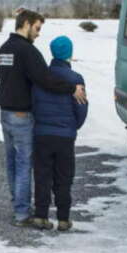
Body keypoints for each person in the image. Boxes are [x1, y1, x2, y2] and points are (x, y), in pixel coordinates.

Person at [0, 9, 87, 227]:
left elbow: (5, 77)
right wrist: (71, 88)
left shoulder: (4, 49)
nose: (38, 34)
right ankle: (22, 214)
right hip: (21, 114)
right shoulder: (28, 51)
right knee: (24, 164)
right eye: (37, 28)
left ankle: (17, 205)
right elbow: (46, 80)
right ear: (26, 24)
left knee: (11, 164)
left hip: (4, 113)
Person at [31, 36, 87, 232]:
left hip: (42, 134)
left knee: (42, 176)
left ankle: (41, 216)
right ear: (69, 53)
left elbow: (34, 105)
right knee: (63, 177)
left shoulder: (41, 76)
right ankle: (63, 219)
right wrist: (71, 126)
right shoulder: (76, 79)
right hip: (65, 136)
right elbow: (81, 110)